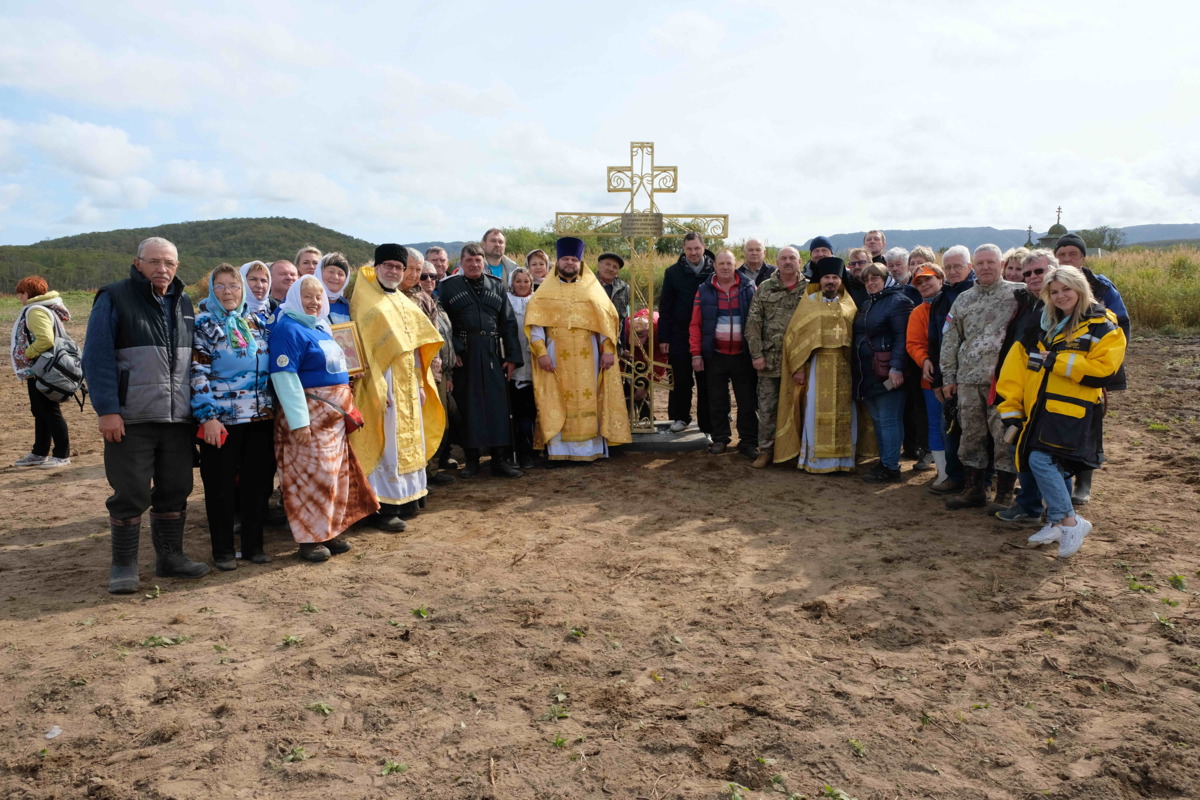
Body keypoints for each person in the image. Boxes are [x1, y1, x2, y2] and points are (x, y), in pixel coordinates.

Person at [82, 236, 209, 593]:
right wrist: (107, 410)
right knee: (131, 491)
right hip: (131, 416)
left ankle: (170, 558)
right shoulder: (115, 297)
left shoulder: (184, 301)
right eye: (154, 262)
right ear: (138, 263)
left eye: (168, 263)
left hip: (178, 418)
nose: (162, 269)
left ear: (177, 267)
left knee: (176, 488)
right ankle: (123, 565)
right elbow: (96, 356)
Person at [996, 265, 1126, 557]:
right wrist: (1011, 409)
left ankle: (1070, 521)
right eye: (1054, 292)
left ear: (1080, 288)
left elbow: (1103, 372)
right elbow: (1014, 371)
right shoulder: (1040, 326)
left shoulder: (1102, 324)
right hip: (1038, 411)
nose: (1061, 296)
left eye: (1066, 289)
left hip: (1074, 412)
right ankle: (1056, 522)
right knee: (1051, 464)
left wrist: (1059, 362)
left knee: (1042, 460)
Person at [269, 275, 378, 559]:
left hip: (332, 423)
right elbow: (284, 376)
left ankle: (329, 531)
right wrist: (299, 421)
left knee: (332, 477)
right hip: (309, 419)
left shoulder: (321, 328)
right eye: (308, 296)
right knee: (308, 478)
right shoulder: (288, 329)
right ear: (294, 298)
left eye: (319, 297)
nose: (315, 302)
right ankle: (309, 540)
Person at [350, 245, 446, 531]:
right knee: (387, 441)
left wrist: (419, 380)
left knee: (409, 439)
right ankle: (384, 506)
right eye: (388, 266)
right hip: (382, 384)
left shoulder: (403, 301)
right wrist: (380, 388)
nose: (393, 271)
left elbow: (417, 346)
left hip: (407, 381)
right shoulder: (366, 301)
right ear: (377, 267)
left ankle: (409, 497)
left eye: (398, 267)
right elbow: (363, 352)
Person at [190, 264, 274, 569]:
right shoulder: (204, 324)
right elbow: (197, 372)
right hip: (221, 421)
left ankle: (254, 545)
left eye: (234, 286)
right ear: (212, 290)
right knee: (220, 487)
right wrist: (206, 416)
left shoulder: (256, 323)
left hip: (260, 418)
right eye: (221, 286)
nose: (229, 292)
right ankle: (223, 550)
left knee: (258, 485)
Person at [525, 237, 631, 462]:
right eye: (566, 259)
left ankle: (591, 450)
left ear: (580, 263)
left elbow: (605, 320)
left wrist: (608, 350)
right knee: (558, 398)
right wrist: (541, 353)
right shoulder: (544, 292)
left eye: (574, 259)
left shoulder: (592, 290)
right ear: (558, 262)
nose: (570, 263)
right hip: (556, 354)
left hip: (588, 353)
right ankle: (558, 451)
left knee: (590, 395)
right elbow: (535, 325)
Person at [939, 243, 1021, 510]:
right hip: (968, 381)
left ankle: (1004, 494)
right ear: (973, 267)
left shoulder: (1018, 295)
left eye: (991, 262)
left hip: (1004, 383)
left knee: (1003, 437)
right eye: (981, 263)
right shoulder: (963, 299)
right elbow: (950, 339)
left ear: (1000, 264)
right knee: (970, 436)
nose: (986, 267)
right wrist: (948, 376)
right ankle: (974, 490)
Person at [1053, 232, 1130, 505]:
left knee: (1089, 425)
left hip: (1092, 366)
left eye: (1072, 254)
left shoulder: (1101, 286)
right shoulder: (1052, 286)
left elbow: (1121, 324)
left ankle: (1083, 484)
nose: (1066, 259)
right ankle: (1055, 481)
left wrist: (1108, 369)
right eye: (1061, 255)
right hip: (1058, 369)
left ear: (1083, 257)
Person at [440, 242, 524, 478]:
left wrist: (512, 358)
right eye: (469, 261)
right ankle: (472, 460)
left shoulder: (496, 286)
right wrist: (454, 349)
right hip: (464, 355)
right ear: (461, 263)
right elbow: (443, 324)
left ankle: (499, 460)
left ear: (483, 262)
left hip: (492, 353)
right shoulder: (447, 288)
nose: (474, 264)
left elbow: (508, 323)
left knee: (497, 406)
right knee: (470, 407)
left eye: (478, 261)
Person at [775, 257, 858, 473]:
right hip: (817, 366)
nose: (830, 281)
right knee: (814, 413)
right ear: (819, 280)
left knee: (846, 414)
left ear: (841, 280)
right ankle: (816, 461)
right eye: (826, 277)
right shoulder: (809, 302)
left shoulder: (849, 304)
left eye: (835, 277)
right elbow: (795, 337)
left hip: (844, 366)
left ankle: (842, 462)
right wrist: (799, 368)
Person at [993, 249, 1056, 524]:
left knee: (1050, 456)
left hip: (1050, 393)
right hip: (1021, 391)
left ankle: (1057, 514)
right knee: (1021, 449)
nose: (1032, 277)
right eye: (1028, 272)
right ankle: (1029, 505)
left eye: (1039, 271)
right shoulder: (1025, 302)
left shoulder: (1064, 305)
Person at [689, 249, 758, 457]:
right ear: (715, 266)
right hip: (716, 355)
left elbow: (757, 322)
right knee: (717, 400)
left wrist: (756, 353)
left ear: (735, 264)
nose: (726, 267)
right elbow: (695, 324)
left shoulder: (748, 287)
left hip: (742, 355)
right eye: (721, 264)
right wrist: (696, 353)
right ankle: (720, 439)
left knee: (747, 402)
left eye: (729, 263)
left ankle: (748, 441)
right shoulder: (704, 289)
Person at [744, 246, 805, 468]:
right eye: (783, 258)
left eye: (792, 258)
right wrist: (757, 354)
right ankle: (766, 451)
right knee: (767, 408)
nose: (788, 262)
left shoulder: (809, 290)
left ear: (799, 261)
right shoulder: (765, 288)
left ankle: (797, 453)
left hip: (799, 362)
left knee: (798, 408)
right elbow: (753, 323)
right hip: (769, 361)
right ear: (776, 262)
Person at [852, 262, 913, 482]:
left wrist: (896, 368)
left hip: (888, 372)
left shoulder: (899, 302)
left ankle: (891, 467)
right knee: (879, 419)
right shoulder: (869, 303)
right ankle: (886, 461)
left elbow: (902, 338)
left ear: (886, 278)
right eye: (867, 280)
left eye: (875, 278)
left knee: (889, 420)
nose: (870, 282)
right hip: (868, 372)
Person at [925, 245, 975, 494]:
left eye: (958, 266)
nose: (953, 271)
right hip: (948, 375)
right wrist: (937, 380)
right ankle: (954, 476)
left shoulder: (978, 293)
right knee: (951, 426)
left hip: (977, 373)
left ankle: (979, 483)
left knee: (976, 431)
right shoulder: (941, 298)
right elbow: (935, 339)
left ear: (969, 266)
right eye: (948, 267)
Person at [11, 275, 72, 468]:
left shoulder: (35, 311)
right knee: (40, 410)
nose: (19, 298)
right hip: (42, 366)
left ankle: (62, 455)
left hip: (42, 366)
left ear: (27, 293)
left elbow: (46, 339)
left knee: (49, 411)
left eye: (20, 294)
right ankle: (39, 452)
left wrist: (28, 354)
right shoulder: (44, 307)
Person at [658, 231, 715, 434]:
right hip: (680, 334)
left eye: (697, 248)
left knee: (706, 381)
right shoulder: (673, 272)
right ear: (684, 249)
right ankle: (680, 417)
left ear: (704, 247)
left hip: (708, 334)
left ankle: (707, 424)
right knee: (681, 380)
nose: (693, 252)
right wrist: (664, 337)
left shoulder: (715, 271)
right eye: (689, 249)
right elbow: (665, 306)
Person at [905, 264, 950, 486]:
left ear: (941, 279)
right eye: (919, 283)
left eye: (928, 280)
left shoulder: (955, 303)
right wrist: (924, 360)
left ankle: (961, 473)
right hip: (930, 378)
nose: (923, 285)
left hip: (956, 378)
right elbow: (913, 343)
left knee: (955, 425)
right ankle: (942, 472)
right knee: (935, 423)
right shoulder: (917, 312)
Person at [418, 260, 458, 483]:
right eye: (423, 276)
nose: (429, 281)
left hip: (442, 374)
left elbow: (446, 341)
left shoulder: (437, 305)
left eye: (433, 277)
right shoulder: (413, 303)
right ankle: (427, 473)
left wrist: (448, 374)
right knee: (431, 420)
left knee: (445, 418)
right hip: (424, 374)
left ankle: (433, 466)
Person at [507, 268, 537, 468]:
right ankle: (517, 451)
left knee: (531, 412)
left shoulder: (537, 301)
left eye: (526, 281)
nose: (522, 285)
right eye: (518, 281)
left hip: (535, 362)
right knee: (516, 412)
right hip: (515, 364)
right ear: (512, 283)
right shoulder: (506, 302)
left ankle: (530, 451)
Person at [595, 252, 630, 347]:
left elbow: (623, 318)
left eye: (615, 267)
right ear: (599, 265)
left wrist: (623, 346)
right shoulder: (588, 283)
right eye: (607, 264)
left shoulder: (624, 288)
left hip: (614, 340)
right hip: (592, 340)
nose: (611, 269)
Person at [317, 252, 352, 325]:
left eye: (340, 274)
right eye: (331, 271)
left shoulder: (347, 306)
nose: (335, 277)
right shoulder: (308, 300)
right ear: (319, 273)